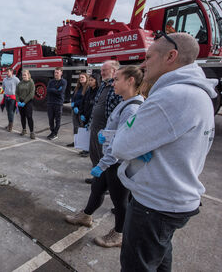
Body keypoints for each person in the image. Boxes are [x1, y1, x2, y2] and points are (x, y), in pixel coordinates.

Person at [112, 33, 217, 271]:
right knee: (158, 261)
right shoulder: (196, 94)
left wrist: (128, 128)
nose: (142, 64)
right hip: (172, 200)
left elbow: (120, 146)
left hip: (155, 205)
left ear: (171, 56)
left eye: (149, 57)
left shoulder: (173, 96)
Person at [65, 65, 145, 248]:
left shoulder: (132, 108)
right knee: (97, 187)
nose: (113, 83)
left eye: (117, 79)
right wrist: (107, 135)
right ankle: (86, 215)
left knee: (120, 201)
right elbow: (119, 132)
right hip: (110, 158)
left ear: (130, 81)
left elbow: (123, 143)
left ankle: (119, 234)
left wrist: (103, 163)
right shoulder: (125, 102)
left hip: (117, 161)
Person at [86, 60, 122, 183]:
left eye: (104, 70)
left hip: (107, 129)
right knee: (94, 152)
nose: (102, 73)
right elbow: (96, 104)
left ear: (114, 71)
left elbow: (117, 109)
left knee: (105, 156)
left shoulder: (116, 86)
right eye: (101, 70)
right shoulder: (103, 85)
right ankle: (97, 178)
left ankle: (105, 182)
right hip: (96, 127)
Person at [77, 72, 101, 157]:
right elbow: (83, 102)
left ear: (96, 81)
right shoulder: (88, 90)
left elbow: (93, 106)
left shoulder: (98, 92)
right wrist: (81, 113)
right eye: (89, 80)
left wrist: (87, 116)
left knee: (91, 134)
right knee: (86, 133)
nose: (90, 82)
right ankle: (85, 149)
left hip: (91, 117)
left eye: (92, 80)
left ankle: (89, 150)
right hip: (85, 115)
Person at [67, 72, 89, 147]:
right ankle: (76, 141)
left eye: (82, 77)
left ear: (86, 78)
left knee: (82, 127)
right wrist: (73, 104)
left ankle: (83, 143)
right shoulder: (78, 88)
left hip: (81, 110)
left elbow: (84, 99)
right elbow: (73, 97)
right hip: (75, 110)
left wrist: (77, 105)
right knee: (75, 127)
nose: (81, 79)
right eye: (80, 78)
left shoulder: (87, 88)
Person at [46, 67, 67, 140]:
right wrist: (56, 90)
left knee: (58, 119)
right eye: (55, 72)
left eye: (57, 72)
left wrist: (53, 90)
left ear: (61, 73)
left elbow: (60, 92)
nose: (56, 74)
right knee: (50, 119)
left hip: (58, 103)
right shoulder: (51, 81)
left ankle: (55, 133)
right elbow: (48, 90)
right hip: (50, 102)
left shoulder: (63, 82)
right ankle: (52, 132)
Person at [16, 69, 36, 139]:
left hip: (28, 102)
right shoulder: (20, 83)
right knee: (22, 116)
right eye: (23, 75)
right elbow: (16, 93)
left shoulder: (31, 82)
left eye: (25, 75)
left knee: (29, 117)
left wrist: (24, 102)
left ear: (28, 75)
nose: (24, 76)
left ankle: (32, 132)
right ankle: (24, 130)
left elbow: (31, 94)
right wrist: (18, 101)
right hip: (20, 102)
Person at [1, 68, 20, 132]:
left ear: (12, 72)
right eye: (6, 72)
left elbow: (19, 87)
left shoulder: (16, 79)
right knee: (8, 112)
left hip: (13, 98)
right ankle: (9, 124)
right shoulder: (4, 80)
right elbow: (3, 88)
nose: (7, 73)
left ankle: (10, 126)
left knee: (11, 111)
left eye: (8, 71)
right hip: (6, 97)